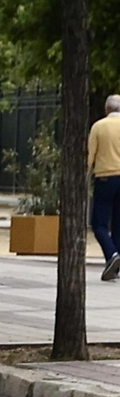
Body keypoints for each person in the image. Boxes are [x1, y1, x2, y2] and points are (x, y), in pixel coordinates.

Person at [89, 93, 120, 281]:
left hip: (105, 177)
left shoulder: (99, 126)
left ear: (106, 109)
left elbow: (90, 155)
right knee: (118, 224)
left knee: (98, 223)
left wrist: (86, 174)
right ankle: (115, 266)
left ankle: (112, 254)